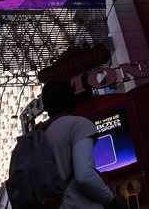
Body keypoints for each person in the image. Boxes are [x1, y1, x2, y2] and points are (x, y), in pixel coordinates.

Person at [40, 80, 125, 209]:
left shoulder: (41, 136)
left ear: (46, 107)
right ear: (70, 98)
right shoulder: (78, 124)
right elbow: (84, 176)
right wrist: (112, 201)